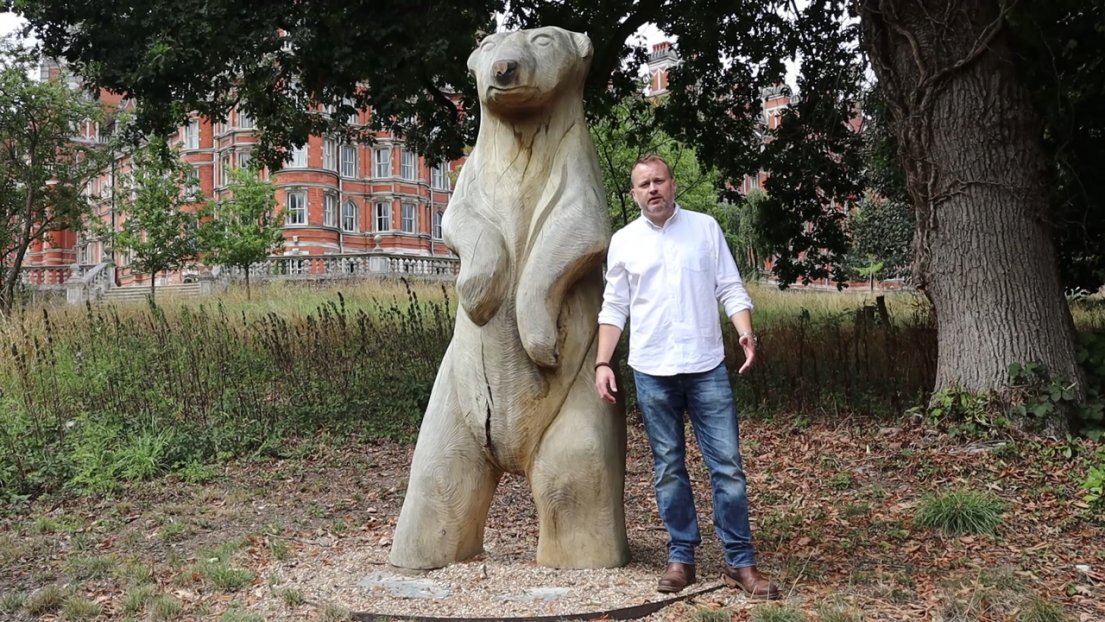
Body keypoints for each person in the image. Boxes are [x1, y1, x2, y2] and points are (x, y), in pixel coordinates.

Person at [593, 155, 780, 600]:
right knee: (668, 470)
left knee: (728, 468)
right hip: (651, 370)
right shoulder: (623, 242)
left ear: (672, 185)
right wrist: (603, 362)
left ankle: (741, 562)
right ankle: (682, 557)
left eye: (659, 180)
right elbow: (614, 307)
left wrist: (746, 333)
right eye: (643, 184)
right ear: (635, 193)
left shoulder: (705, 228)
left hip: (706, 366)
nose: (652, 189)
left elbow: (730, 287)